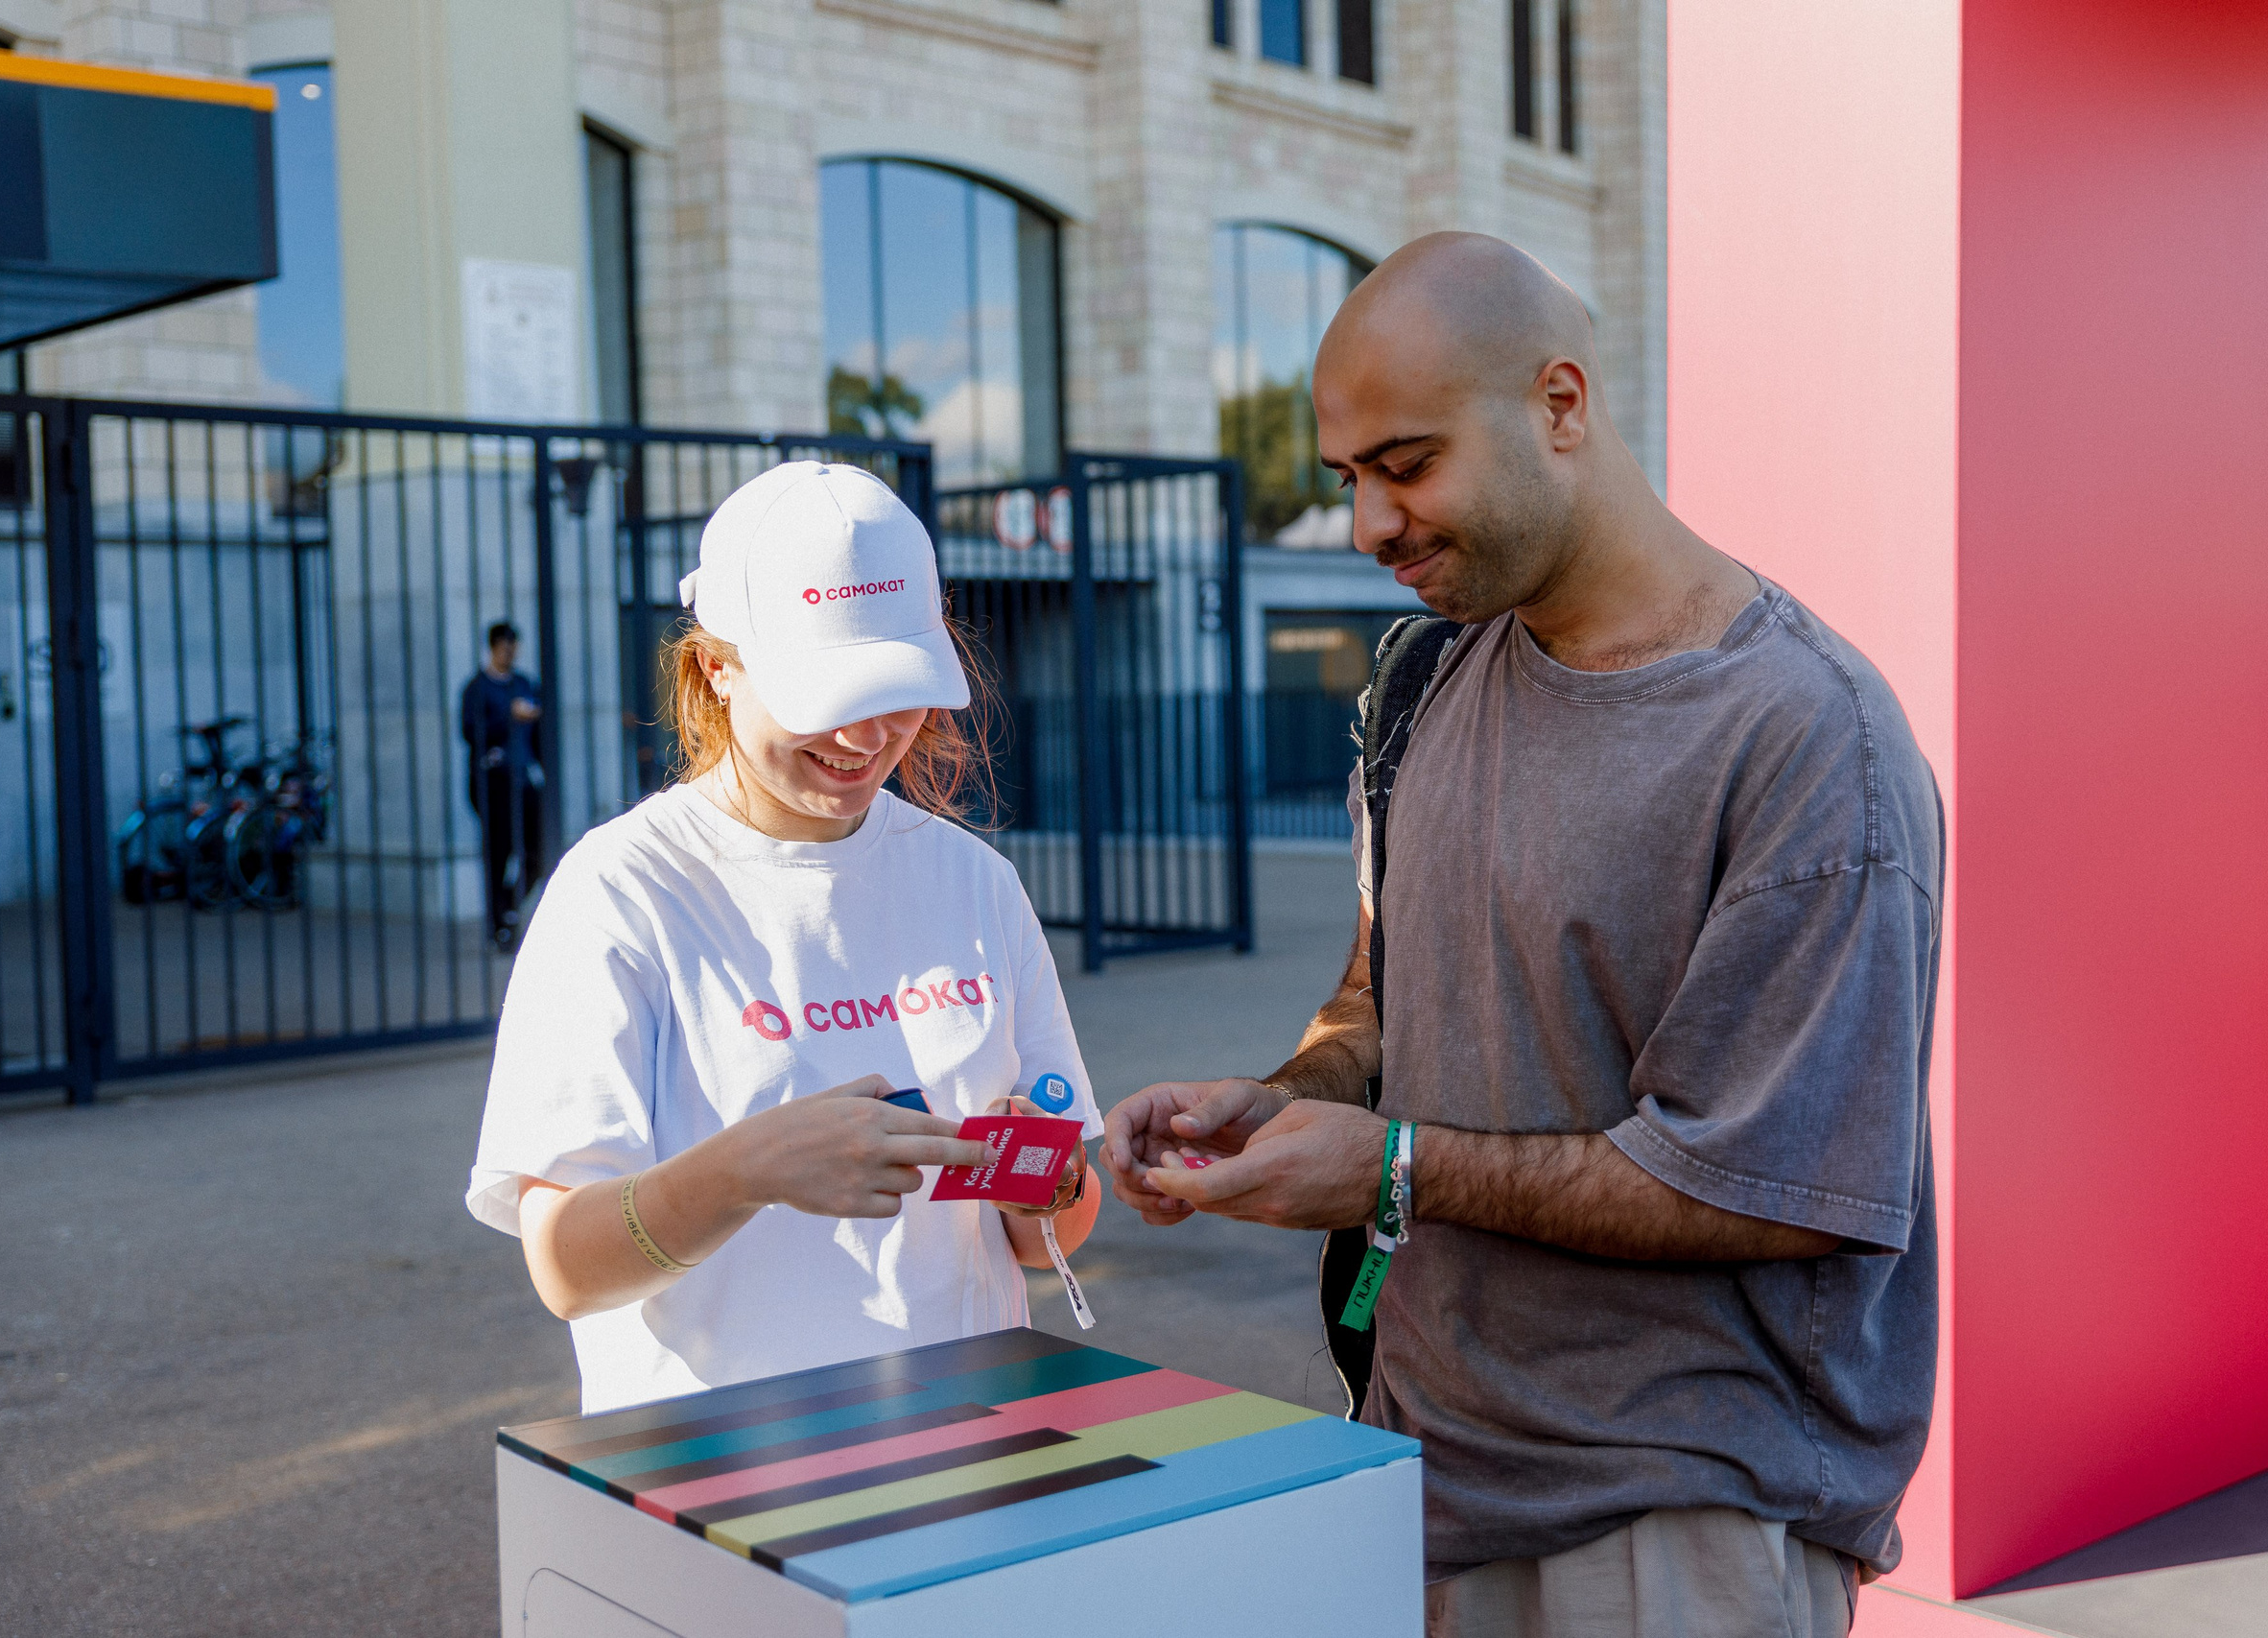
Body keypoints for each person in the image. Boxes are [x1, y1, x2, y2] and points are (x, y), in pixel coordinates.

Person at [1099, 233, 1942, 1638]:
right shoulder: (1425, 677)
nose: (1369, 525)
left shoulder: (1808, 737)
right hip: (1423, 1473)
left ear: (1560, 403)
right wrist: (1282, 1097)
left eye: (1407, 465)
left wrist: (1392, 1169)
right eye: (1349, 477)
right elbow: (1384, 995)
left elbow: (1776, 1186)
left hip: (1676, 1518)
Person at [464, 461, 1102, 1413]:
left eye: (899, 688)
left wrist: (1042, 1180)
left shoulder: (974, 881)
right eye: (829, 695)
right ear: (716, 669)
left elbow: (1056, 1228)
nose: (869, 736)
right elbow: (567, 1269)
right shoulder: (621, 893)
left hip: (967, 1427)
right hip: (720, 1456)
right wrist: (747, 1169)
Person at [461, 622, 546, 950]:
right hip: (492, 783)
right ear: (493, 648)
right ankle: (499, 927)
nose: (510, 653)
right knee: (498, 854)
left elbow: (538, 732)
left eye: (514, 648)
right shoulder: (477, 688)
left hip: (523, 780)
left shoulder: (524, 683)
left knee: (537, 852)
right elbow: (470, 733)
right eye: (504, 648)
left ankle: (507, 907)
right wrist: (508, 717)